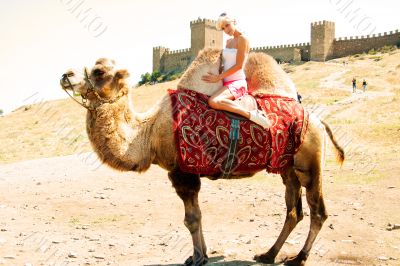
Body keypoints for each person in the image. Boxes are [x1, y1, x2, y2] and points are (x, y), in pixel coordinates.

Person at [201, 13, 270, 128]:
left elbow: (238, 65)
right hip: (225, 82)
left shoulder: (243, 39)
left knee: (213, 101)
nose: (226, 30)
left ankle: (252, 115)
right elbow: (227, 63)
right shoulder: (228, 42)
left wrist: (218, 77)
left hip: (237, 83)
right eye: (223, 28)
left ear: (234, 21)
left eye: (227, 25)